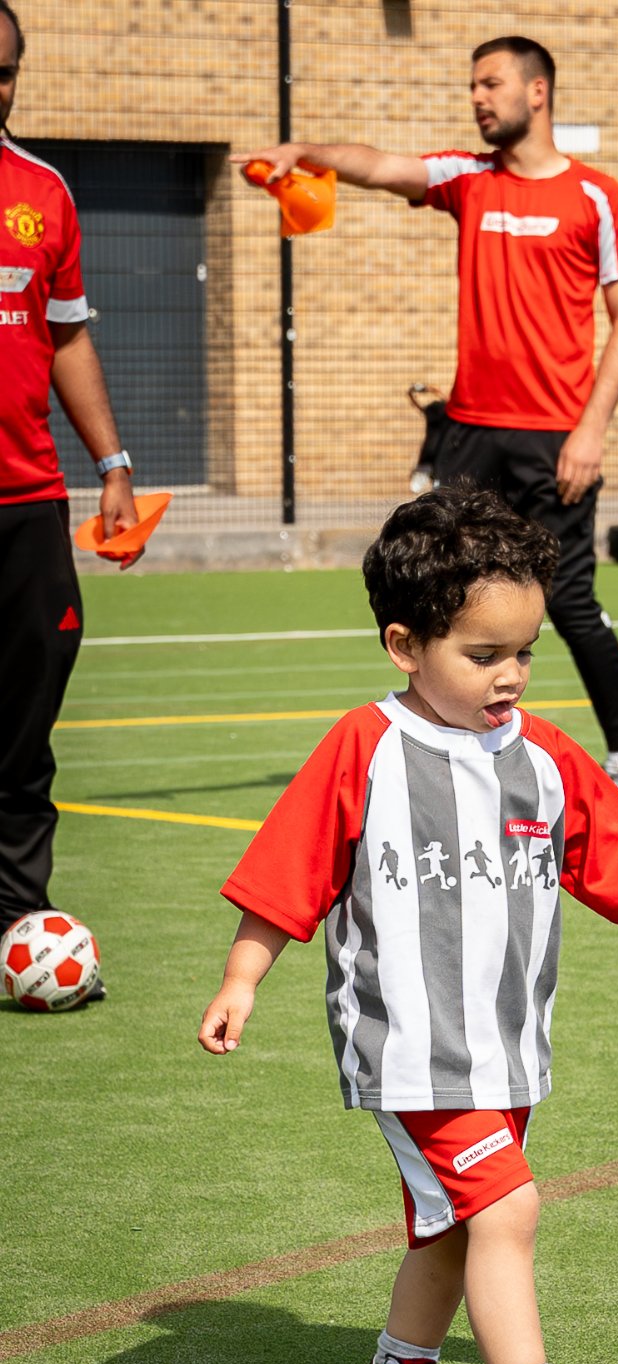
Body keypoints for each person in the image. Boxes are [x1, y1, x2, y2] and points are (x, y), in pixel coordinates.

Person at [198, 485, 618, 1364]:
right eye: (483, 654)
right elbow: (290, 871)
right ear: (405, 645)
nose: (510, 675)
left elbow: (610, 853)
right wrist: (242, 976)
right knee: (506, 1207)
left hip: (506, 1043)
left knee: (451, 1223)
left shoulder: (544, 755)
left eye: (524, 652)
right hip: (410, 1045)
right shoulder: (365, 747)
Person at [235, 35, 618, 815]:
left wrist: (591, 430)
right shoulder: (469, 179)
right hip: (470, 432)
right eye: (473, 85)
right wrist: (305, 153)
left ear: (537, 91)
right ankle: (439, 743)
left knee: (567, 602)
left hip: (556, 438)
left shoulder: (596, 197)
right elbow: (380, 166)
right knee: (441, 587)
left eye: (491, 83)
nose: (477, 97)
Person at [0, 0, 140, 956]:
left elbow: (67, 335)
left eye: (4, 71)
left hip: (27, 505)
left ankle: (16, 920)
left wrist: (113, 463)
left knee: (24, 726)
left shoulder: (42, 190)